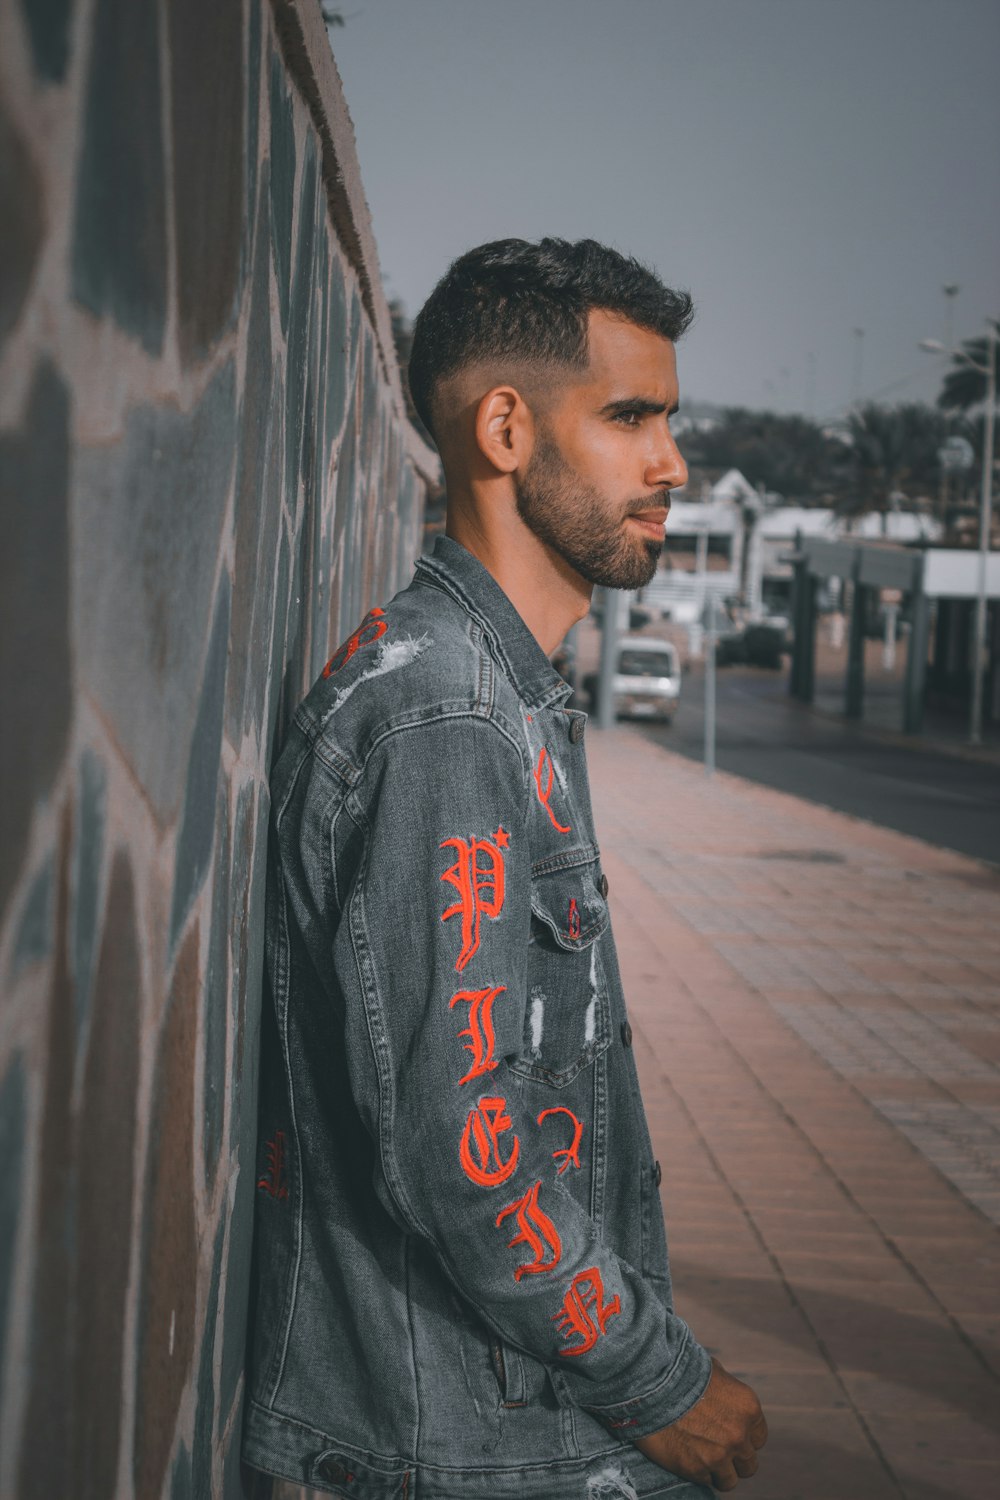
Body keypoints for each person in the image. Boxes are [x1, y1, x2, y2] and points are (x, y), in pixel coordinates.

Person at [242, 238, 767, 1499]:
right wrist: (663, 1381)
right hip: (452, 1452)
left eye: (670, 421)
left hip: (478, 1430)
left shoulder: (492, 694)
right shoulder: (450, 723)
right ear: (505, 428)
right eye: (631, 417)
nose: (672, 464)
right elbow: (461, 1151)